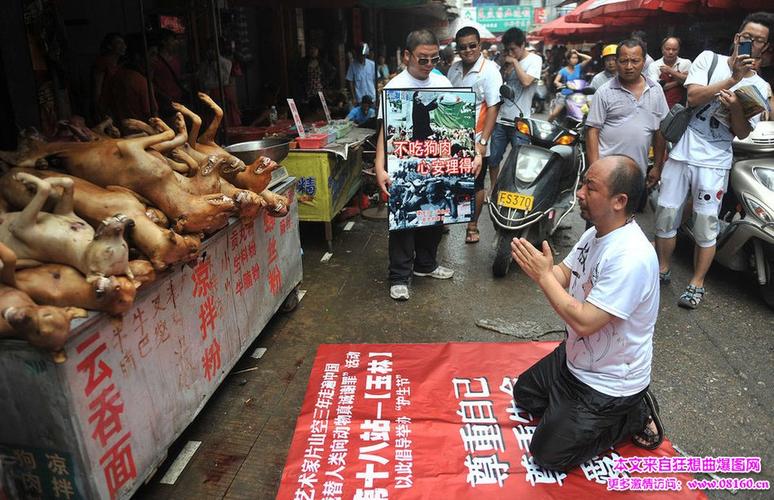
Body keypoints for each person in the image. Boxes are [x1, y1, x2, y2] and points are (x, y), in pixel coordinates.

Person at [510, 155, 663, 472]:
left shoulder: (631, 256)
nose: (580, 193)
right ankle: (574, 414)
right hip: (577, 359)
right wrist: (544, 270)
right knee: (525, 395)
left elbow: (585, 321)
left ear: (619, 201)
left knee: (548, 455)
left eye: (590, 188)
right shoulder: (596, 233)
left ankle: (632, 415)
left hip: (608, 384)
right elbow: (564, 275)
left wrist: (542, 277)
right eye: (582, 184)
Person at [652, 12, 771, 309]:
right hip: (683, 151)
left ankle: (697, 283)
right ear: (736, 38)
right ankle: (662, 268)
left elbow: (742, 132)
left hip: (716, 159)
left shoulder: (762, 88)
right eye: (747, 38)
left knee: (706, 223)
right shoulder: (708, 60)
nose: (751, 44)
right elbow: (692, 98)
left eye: (758, 41)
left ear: (765, 48)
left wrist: (734, 110)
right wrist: (732, 79)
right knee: (667, 213)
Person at [375, 29, 460, 301]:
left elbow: (457, 124)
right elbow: (383, 132)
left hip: (434, 160)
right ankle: (399, 275)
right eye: (423, 59)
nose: (429, 65)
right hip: (402, 160)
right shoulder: (394, 87)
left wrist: (472, 154)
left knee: (434, 212)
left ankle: (426, 264)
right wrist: (379, 166)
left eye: (434, 59)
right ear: (406, 56)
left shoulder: (442, 83)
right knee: (403, 218)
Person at [447, 26, 502, 244]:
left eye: (472, 46)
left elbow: (493, 107)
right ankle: (443, 219)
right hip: (453, 138)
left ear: (479, 45)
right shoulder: (454, 70)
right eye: (462, 47)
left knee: (476, 183)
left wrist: (482, 142)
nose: (468, 50)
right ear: (457, 49)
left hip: (478, 138)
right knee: (450, 180)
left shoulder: (490, 71)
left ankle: (472, 226)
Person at [586, 39, 669, 183]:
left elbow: (660, 131)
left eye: (635, 61)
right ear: (617, 62)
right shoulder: (604, 92)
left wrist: (657, 166)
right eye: (623, 61)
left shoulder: (656, 90)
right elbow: (592, 130)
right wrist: (594, 167)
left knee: (635, 205)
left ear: (644, 62)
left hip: (639, 172)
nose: (629, 66)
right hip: (607, 172)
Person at [489, 28, 542, 193]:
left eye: (514, 49)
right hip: (500, 118)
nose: (510, 53)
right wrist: (503, 66)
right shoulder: (507, 62)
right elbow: (497, 84)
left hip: (521, 121)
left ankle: (516, 192)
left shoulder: (535, 60)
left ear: (523, 45)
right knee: (493, 159)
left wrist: (515, 63)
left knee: (520, 161)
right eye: (508, 49)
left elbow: (526, 82)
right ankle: (493, 189)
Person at [107, 34, 158, 128]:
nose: (156, 59)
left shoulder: (116, 75)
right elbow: (152, 114)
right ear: (138, 56)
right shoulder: (141, 81)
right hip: (141, 133)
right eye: (152, 54)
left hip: (119, 131)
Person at [547, 49, 592, 123]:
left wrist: (578, 53)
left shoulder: (578, 67)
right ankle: (548, 125)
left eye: (576, 58)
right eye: (573, 58)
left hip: (578, 94)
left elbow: (589, 58)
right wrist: (561, 84)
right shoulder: (563, 70)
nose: (575, 60)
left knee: (589, 109)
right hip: (565, 94)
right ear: (568, 60)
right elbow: (556, 81)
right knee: (554, 113)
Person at [647, 37, 692, 109]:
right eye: (668, 49)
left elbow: (690, 83)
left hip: (682, 106)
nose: (671, 52)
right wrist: (679, 81)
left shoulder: (686, 63)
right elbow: (657, 88)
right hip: (660, 106)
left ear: (678, 50)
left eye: (674, 49)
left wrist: (670, 71)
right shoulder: (654, 65)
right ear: (662, 49)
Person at [151, 29, 187, 116]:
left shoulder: (175, 59)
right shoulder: (155, 61)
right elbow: (151, 83)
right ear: (164, 41)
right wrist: (163, 96)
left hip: (178, 101)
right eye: (172, 40)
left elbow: (176, 78)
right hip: (164, 104)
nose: (175, 42)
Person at [92, 33, 126, 120]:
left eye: (123, 43)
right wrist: (99, 110)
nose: (123, 46)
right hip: (106, 106)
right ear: (109, 46)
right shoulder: (102, 63)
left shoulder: (119, 65)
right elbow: (97, 89)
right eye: (119, 43)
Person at [346, 42, 376, 107]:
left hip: (372, 97)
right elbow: (350, 82)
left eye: (363, 56)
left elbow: (376, 80)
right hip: (360, 99)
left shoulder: (372, 65)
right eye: (360, 55)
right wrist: (353, 98)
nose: (362, 57)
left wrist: (377, 95)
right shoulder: (352, 66)